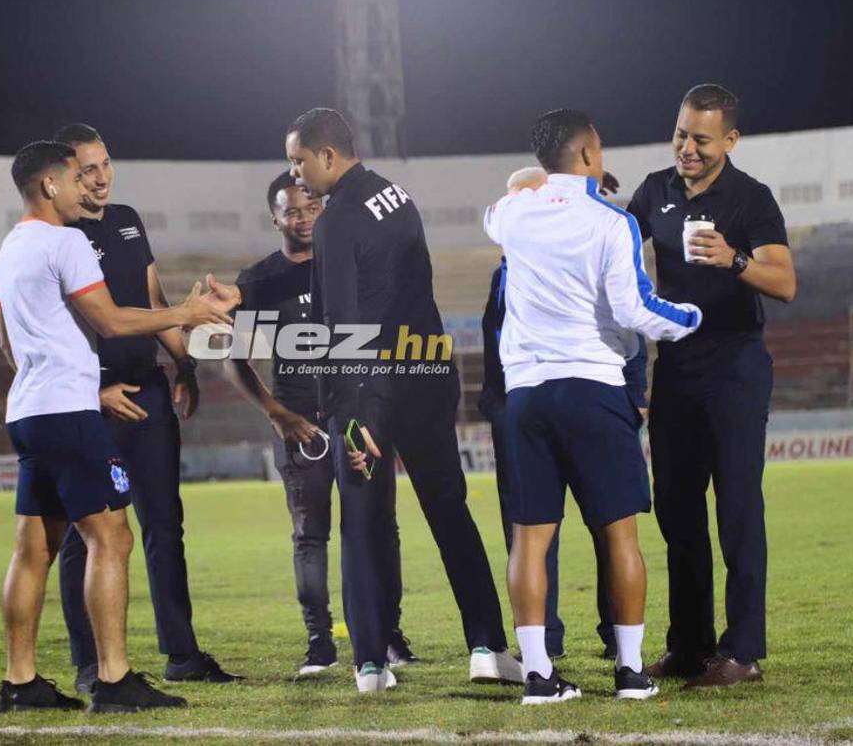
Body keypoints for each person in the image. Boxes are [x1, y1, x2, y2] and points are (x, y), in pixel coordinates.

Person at [0, 140, 233, 713]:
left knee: (34, 549)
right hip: (71, 413)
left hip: (27, 411)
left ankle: (20, 683)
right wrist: (188, 314)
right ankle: (114, 679)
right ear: (50, 185)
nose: (87, 187)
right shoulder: (66, 240)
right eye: (76, 177)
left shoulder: (10, 247)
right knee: (112, 537)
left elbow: (5, 340)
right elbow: (111, 319)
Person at [285, 107, 519, 693]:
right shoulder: (398, 194)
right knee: (450, 511)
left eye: (298, 161)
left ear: (328, 156)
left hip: (370, 388)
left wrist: (342, 410)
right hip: (425, 370)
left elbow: (340, 320)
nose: (295, 175)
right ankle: (487, 646)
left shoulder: (335, 220)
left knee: (362, 524)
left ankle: (369, 664)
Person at [484, 109, 702, 704]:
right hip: (593, 387)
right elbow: (635, 311)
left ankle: (538, 676)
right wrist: (692, 318)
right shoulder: (612, 221)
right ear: (584, 156)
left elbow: (497, 209)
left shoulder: (514, 215)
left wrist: (532, 182)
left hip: (526, 394)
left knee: (529, 540)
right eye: (598, 148)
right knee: (619, 536)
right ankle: (630, 673)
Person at [50, 124, 240, 690]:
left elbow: (155, 304)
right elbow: (49, 330)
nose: (101, 177)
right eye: (86, 169)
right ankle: (89, 664)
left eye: (105, 163)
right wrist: (93, 393)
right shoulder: (57, 236)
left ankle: (182, 654)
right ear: (61, 175)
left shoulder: (128, 219)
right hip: (94, 400)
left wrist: (184, 368)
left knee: (165, 524)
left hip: (148, 391)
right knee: (82, 533)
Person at [627, 84, 796, 688]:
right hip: (676, 367)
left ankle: (743, 651)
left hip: (735, 367)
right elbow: (614, 245)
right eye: (680, 134)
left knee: (738, 511)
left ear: (730, 139)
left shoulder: (750, 199)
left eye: (701, 138)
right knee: (676, 513)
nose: (687, 148)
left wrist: (735, 260)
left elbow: (785, 283)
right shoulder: (655, 191)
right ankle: (690, 646)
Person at [225, 171, 416, 676]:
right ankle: (320, 641)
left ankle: (387, 633)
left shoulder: (348, 265)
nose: (303, 219)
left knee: (378, 527)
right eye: (291, 211)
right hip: (301, 425)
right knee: (310, 534)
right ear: (275, 218)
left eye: (311, 209)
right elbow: (236, 358)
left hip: (355, 418)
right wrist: (277, 413)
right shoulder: (259, 281)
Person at [478, 165, 646, 663]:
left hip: (580, 398)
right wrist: (498, 405)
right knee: (534, 534)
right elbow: (494, 346)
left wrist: (635, 395)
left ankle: (612, 639)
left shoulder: (583, 250)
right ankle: (547, 645)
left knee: (606, 529)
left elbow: (625, 327)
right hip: (524, 410)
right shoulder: (506, 273)